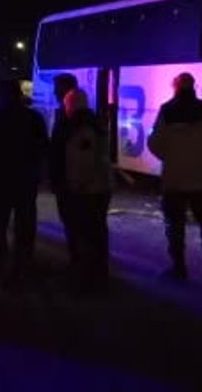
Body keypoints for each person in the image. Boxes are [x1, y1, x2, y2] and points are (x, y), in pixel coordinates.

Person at [147, 72, 202, 280]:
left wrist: (170, 157)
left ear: (176, 87)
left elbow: (154, 143)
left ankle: (179, 267)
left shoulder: (167, 111)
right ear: (193, 87)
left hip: (175, 178)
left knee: (175, 224)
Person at [0, 79, 48, 287]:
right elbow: (43, 148)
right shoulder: (33, 118)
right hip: (25, 178)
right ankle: (22, 265)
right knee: (25, 223)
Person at [55, 89, 112, 295]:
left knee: (83, 232)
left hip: (86, 189)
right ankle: (98, 271)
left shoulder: (80, 128)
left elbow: (83, 160)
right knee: (97, 231)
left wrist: (77, 184)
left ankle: (86, 276)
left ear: (70, 106)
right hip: (101, 187)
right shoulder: (96, 124)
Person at [49, 73, 79, 266]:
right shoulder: (88, 117)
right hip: (74, 179)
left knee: (71, 220)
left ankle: (77, 262)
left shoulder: (67, 117)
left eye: (57, 88)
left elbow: (59, 150)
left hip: (68, 180)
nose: (54, 92)